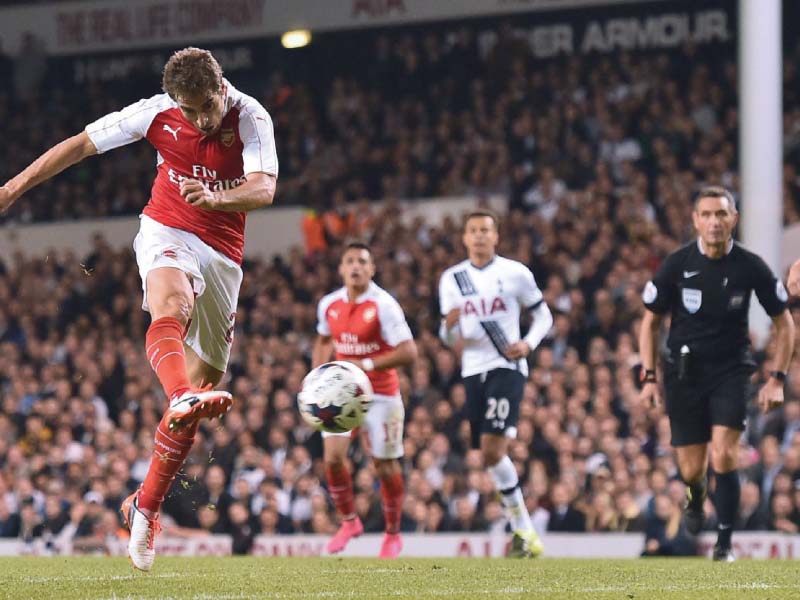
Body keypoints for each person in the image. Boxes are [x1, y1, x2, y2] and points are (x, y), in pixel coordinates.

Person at [0, 47, 278, 570]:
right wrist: (11, 189)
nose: (200, 118)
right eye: (189, 110)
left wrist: (216, 199)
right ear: (175, 100)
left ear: (221, 87)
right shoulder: (154, 113)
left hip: (223, 253)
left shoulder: (250, 116)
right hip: (166, 228)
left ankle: (144, 506)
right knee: (171, 309)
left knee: (204, 385)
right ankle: (177, 396)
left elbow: (264, 187)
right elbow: (81, 145)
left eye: (206, 107)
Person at [639, 186, 794, 562]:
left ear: (734, 219)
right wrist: (647, 377)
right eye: (706, 214)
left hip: (731, 371)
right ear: (695, 220)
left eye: (721, 214)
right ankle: (695, 494)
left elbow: (784, 324)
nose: (714, 222)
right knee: (692, 468)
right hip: (683, 374)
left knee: (725, 455)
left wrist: (777, 378)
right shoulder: (676, 264)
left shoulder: (750, 265)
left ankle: (724, 541)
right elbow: (650, 324)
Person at [438, 210, 552, 558]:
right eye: (473, 231)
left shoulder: (515, 273)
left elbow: (543, 315)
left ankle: (525, 532)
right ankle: (523, 534)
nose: (479, 236)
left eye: (486, 230)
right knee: (490, 456)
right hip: (473, 369)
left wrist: (528, 344)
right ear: (464, 238)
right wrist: (448, 326)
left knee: (491, 449)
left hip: (507, 364)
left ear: (496, 236)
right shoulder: (452, 279)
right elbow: (447, 338)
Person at [312, 241, 418, 558]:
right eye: (350, 261)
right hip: (343, 393)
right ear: (341, 269)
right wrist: (318, 376)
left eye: (362, 261)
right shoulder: (329, 304)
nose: (356, 266)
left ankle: (393, 533)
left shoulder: (384, 304)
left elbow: (409, 352)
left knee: (384, 466)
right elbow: (323, 339)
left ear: (372, 269)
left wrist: (367, 365)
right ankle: (349, 522)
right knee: (332, 457)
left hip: (382, 393)